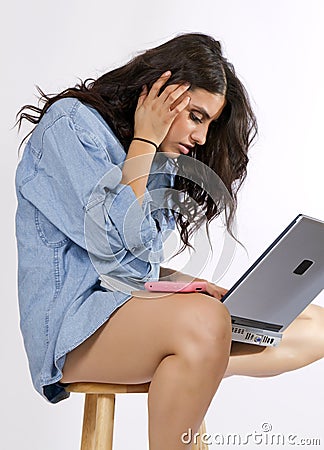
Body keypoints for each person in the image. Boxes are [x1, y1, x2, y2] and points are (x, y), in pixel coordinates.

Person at [15, 33, 324, 450]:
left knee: (314, 324)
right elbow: (113, 246)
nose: (201, 137)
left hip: (135, 313)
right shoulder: (72, 126)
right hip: (73, 331)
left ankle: (197, 362)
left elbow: (138, 267)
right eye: (196, 116)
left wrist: (190, 288)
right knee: (204, 321)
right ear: (159, 92)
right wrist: (144, 141)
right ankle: (199, 349)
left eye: (209, 123)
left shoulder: (163, 160)